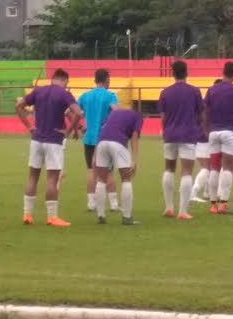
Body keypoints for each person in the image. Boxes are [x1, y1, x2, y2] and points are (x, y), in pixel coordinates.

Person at [16, 68, 82, 227]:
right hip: (54, 141)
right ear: (65, 80)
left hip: (37, 139)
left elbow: (18, 106)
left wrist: (29, 126)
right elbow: (78, 113)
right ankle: (52, 217)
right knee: (52, 179)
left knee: (32, 177)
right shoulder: (64, 94)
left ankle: (27, 214)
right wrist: (68, 131)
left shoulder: (39, 91)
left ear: (52, 78)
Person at [158, 60, 205, 220]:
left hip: (170, 135)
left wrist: (166, 131)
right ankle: (182, 211)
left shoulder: (165, 92)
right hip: (188, 135)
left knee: (169, 169)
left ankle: (169, 207)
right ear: (187, 72)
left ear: (173, 73)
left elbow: (163, 117)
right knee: (186, 172)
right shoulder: (194, 91)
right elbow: (201, 114)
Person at [204, 62, 233, 214]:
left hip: (214, 132)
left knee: (214, 168)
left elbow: (205, 110)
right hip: (230, 131)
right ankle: (223, 203)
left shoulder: (212, 89)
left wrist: (206, 129)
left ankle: (212, 205)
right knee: (228, 168)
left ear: (222, 72)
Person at [78, 69, 120, 213]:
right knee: (108, 172)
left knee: (92, 171)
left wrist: (80, 127)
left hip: (89, 139)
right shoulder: (110, 95)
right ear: (107, 79)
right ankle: (114, 204)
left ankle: (91, 203)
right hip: (105, 138)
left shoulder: (85, 96)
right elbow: (116, 111)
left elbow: (70, 111)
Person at [94, 108, 143, 225]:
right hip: (118, 143)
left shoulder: (113, 113)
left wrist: (95, 154)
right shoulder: (138, 115)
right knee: (126, 179)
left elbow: (102, 130)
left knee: (101, 179)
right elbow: (134, 136)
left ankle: (101, 216)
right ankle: (127, 217)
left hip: (102, 143)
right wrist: (134, 159)